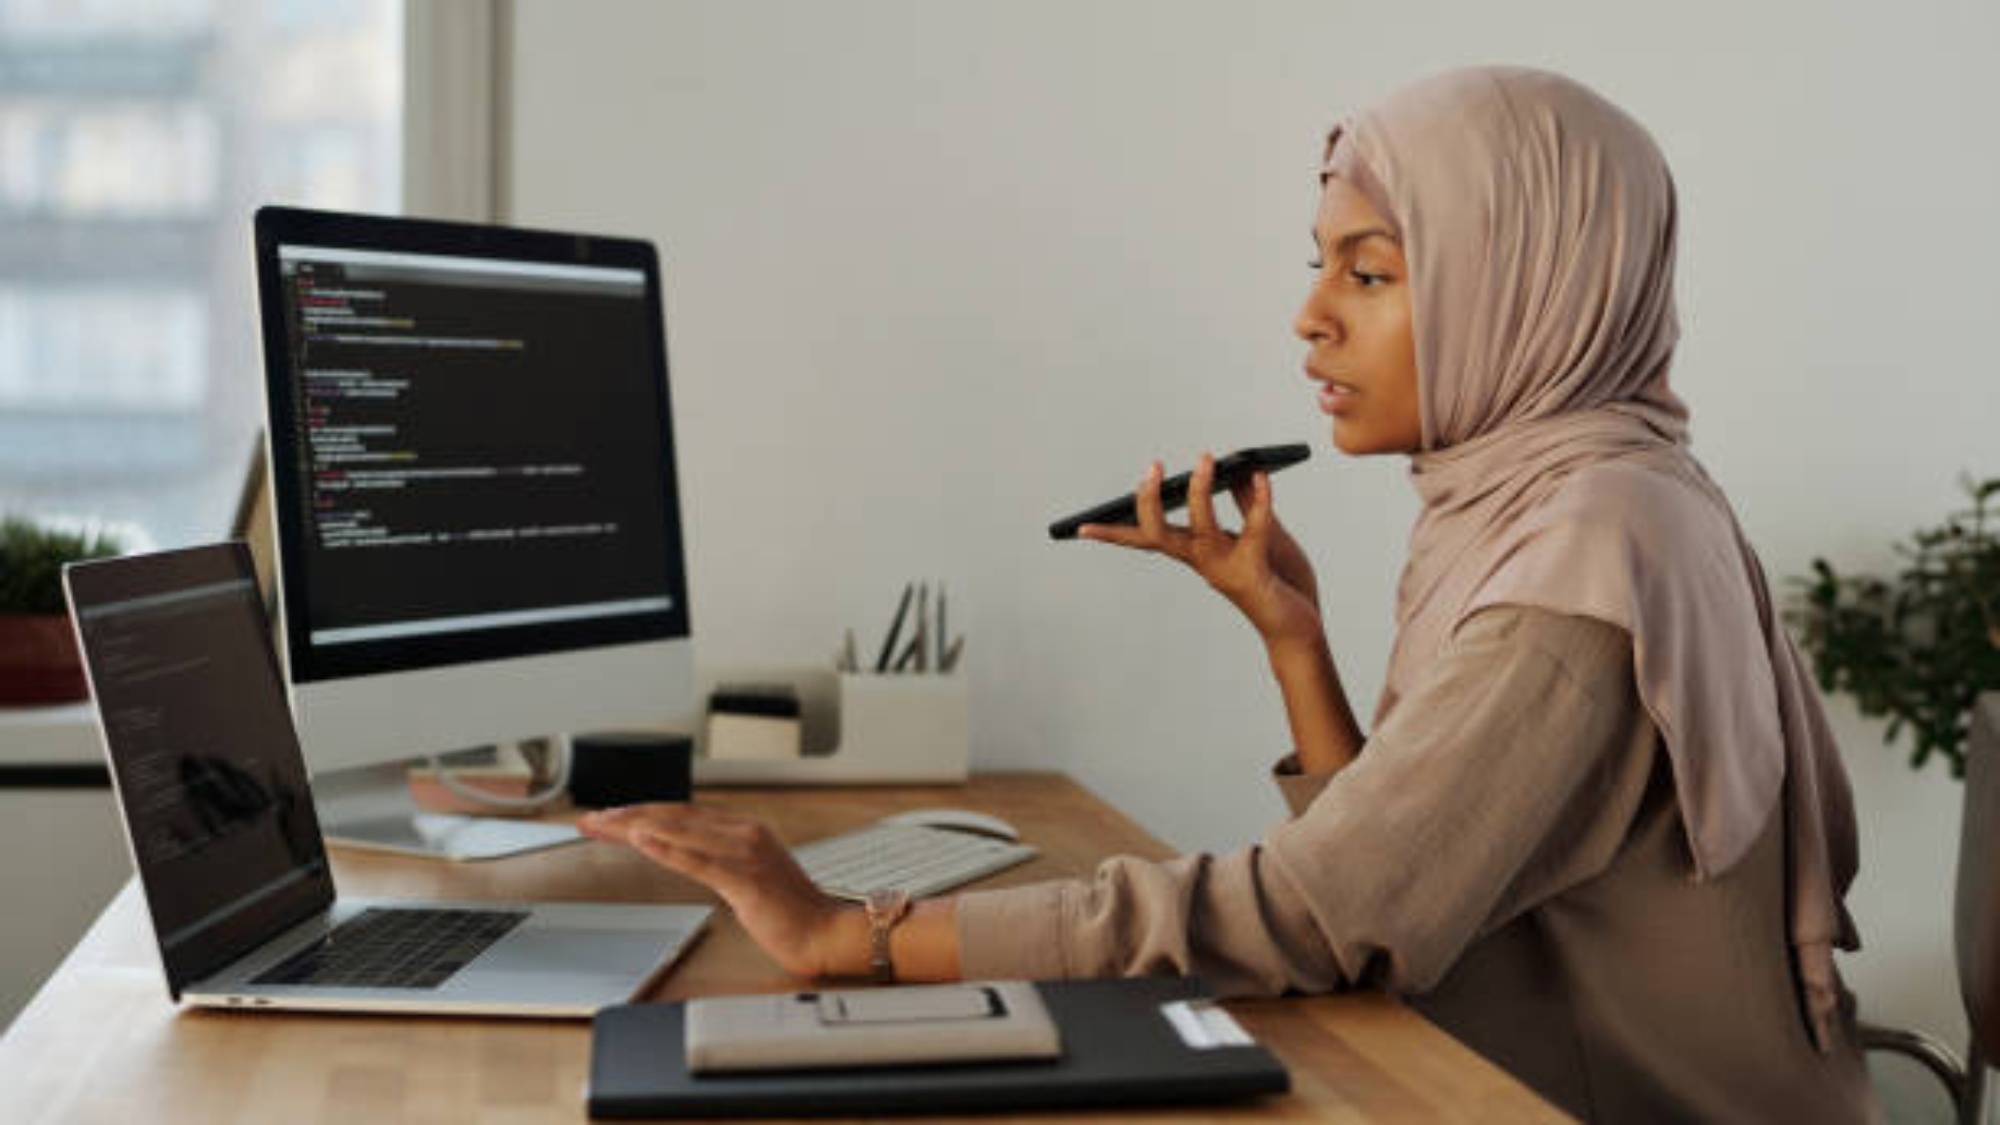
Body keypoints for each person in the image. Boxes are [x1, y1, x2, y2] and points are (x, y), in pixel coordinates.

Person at [580, 66, 1880, 1122]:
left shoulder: (1593, 552)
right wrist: (1293, 639)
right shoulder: (1559, 497)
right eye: (1319, 265)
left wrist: (851, 934)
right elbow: (1409, 871)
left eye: (1369, 273)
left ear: (1531, 285)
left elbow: (1326, 915)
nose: (1310, 315)